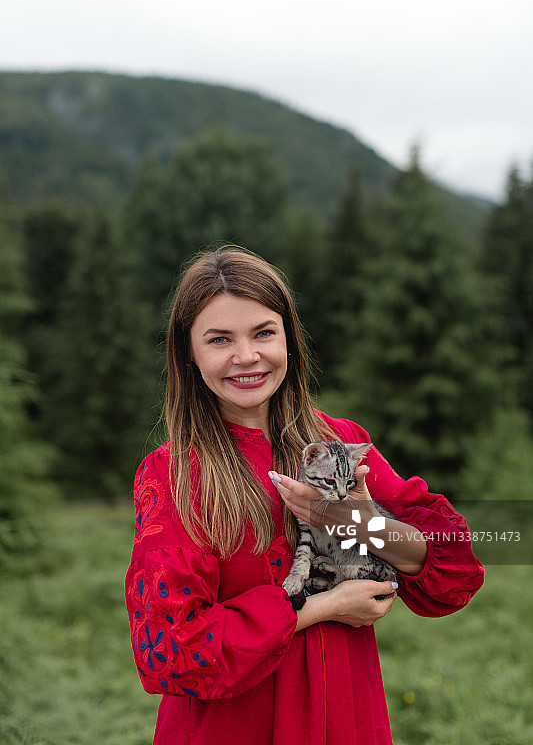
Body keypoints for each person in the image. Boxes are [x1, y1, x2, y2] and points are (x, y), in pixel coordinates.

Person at [125, 247, 484, 745]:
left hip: (344, 718)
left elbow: (454, 571)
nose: (246, 356)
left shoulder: (339, 442)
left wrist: (361, 522)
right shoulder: (173, 474)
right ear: (188, 352)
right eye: (219, 339)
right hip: (231, 728)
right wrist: (321, 608)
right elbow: (168, 648)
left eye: (264, 333)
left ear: (289, 337)